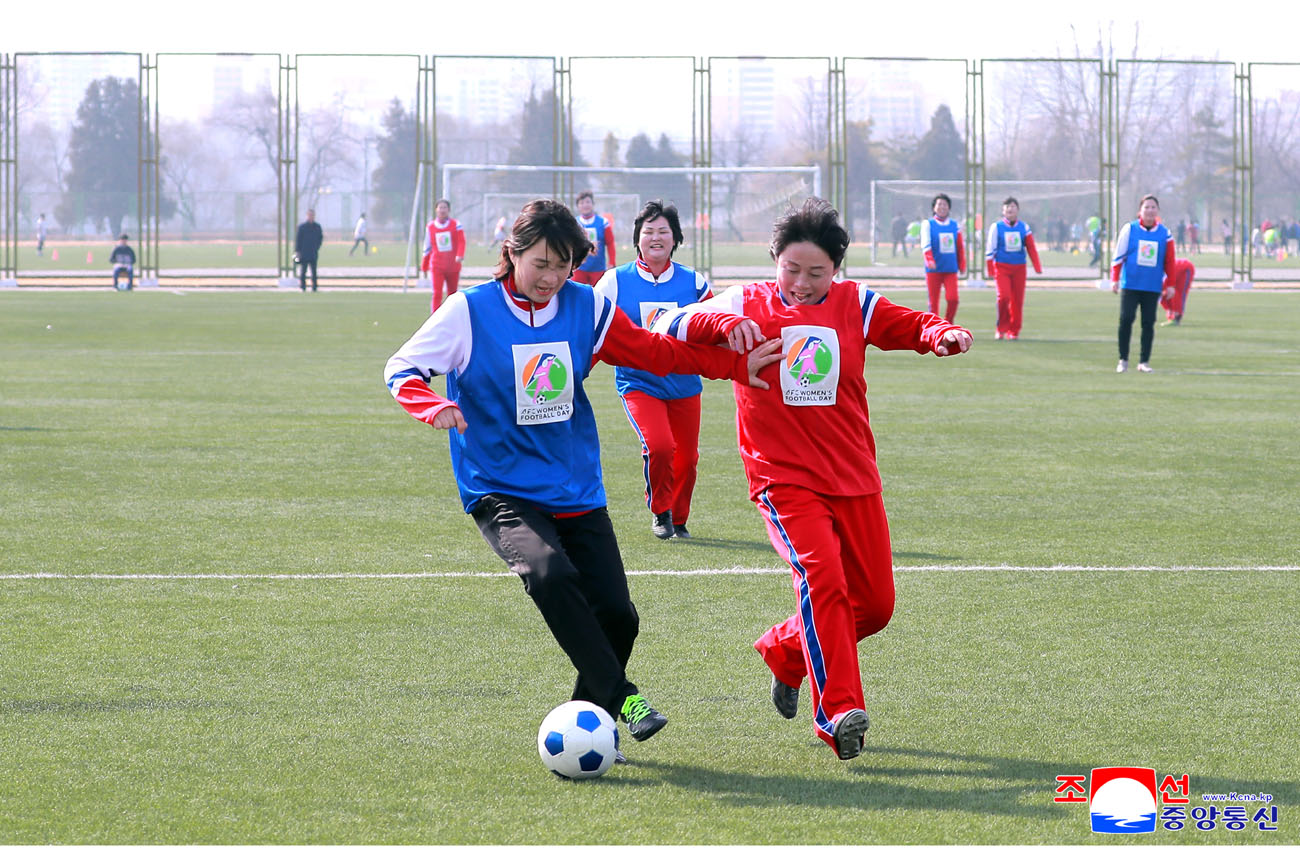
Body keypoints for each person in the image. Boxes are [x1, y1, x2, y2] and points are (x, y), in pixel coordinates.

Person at [383, 198, 779, 755]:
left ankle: (580, 730)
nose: (550, 277)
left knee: (619, 617)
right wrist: (431, 405)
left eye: (563, 264)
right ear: (511, 254)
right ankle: (625, 696)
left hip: (574, 485)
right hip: (499, 485)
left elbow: (654, 352)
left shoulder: (585, 307)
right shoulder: (468, 312)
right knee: (548, 573)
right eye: (540, 263)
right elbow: (401, 368)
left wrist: (736, 365)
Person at [652, 198, 973, 760]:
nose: (802, 283)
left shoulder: (855, 303)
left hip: (853, 474)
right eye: (791, 270)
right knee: (821, 575)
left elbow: (910, 324)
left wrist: (941, 333)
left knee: (873, 606)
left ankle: (786, 651)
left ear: (837, 271)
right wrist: (722, 322)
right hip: (782, 477)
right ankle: (839, 712)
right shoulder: (747, 299)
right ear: (773, 259)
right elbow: (667, 322)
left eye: (816, 273)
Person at [594, 200, 711, 541]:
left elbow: (715, 328)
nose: (656, 238)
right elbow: (591, 327)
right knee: (659, 446)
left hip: (685, 385)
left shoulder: (695, 283)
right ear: (637, 238)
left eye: (663, 231)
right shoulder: (613, 282)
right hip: (638, 382)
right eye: (649, 232)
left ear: (675, 238)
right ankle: (661, 511)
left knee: (687, 460)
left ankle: (680, 517)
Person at [1111, 194, 1177, 373]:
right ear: (1140, 210)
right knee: (1126, 319)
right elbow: (1118, 255)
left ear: (1158, 211)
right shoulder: (1129, 229)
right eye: (1146, 207)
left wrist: (1170, 284)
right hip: (1130, 284)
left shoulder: (1165, 234)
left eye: (1153, 207)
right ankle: (1123, 359)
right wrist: (1114, 279)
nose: (1149, 211)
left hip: (1152, 286)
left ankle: (1143, 362)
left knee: (1148, 323)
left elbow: (1170, 261)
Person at [985, 196, 1042, 340]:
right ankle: (1001, 328)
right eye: (1007, 207)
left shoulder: (1024, 227)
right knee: (1004, 297)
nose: (1010, 209)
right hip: (1001, 268)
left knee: (1017, 300)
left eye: (1013, 207)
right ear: (1003, 211)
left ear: (1018, 210)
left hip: (1019, 269)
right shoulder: (996, 227)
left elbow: (1031, 247)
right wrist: (990, 269)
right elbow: (990, 249)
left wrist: (1037, 266)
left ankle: (1014, 330)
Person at [920, 193, 966, 323]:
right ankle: (934, 329)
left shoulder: (954, 225)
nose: (942, 207)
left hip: (950, 269)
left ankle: (947, 323)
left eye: (945, 204)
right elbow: (925, 244)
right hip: (933, 271)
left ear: (949, 207)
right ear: (934, 207)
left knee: (953, 299)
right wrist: (929, 260)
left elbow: (960, 247)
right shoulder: (928, 224)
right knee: (933, 304)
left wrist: (962, 264)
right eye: (939, 204)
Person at [420, 199, 466, 313]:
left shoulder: (456, 224)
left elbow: (462, 241)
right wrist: (424, 266)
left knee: (453, 294)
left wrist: (459, 255)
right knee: (437, 293)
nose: (442, 210)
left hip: (453, 266)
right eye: (440, 207)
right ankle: (435, 317)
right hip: (437, 265)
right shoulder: (430, 226)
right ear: (436, 210)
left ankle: (452, 316)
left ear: (449, 210)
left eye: (444, 207)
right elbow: (427, 247)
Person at [572, 191, 616, 286]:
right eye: (582, 203)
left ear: (593, 204)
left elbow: (610, 243)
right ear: (578, 206)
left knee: (599, 296)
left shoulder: (603, 223)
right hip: (579, 269)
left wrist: (612, 262)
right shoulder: (574, 223)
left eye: (588, 202)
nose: (585, 205)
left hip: (598, 269)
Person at [1161, 258, 1195, 325]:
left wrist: (1171, 310)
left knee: (1181, 292)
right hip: (1177, 270)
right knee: (1173, 293)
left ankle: (1177, 316)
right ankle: (1175, 316)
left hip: (1186, 268)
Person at [295, 209, 323, 292]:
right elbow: (298, 240)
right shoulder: (302, 227)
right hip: (304, 252)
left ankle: (314, 286)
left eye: (312, 215)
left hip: (313, 252)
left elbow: (320, 238)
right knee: (303, 270)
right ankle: (303, 286)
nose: (311, 217)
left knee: (314, 271)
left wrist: (317, 247)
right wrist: (298, 251)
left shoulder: (317, 227)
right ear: (307, 216)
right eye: (309, 215)